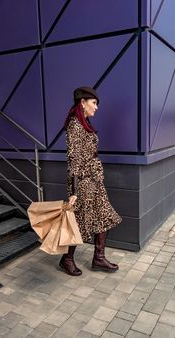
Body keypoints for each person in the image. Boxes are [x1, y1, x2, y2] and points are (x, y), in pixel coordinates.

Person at [59, 86, 122, 276]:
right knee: (78, 221)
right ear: (83, 102)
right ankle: (66, 259)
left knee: (104, 215)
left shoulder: (84, 123)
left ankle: (99, 258)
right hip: (83, 182)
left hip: (95, 179)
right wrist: (74, 192)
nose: (96, 107)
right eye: (94, 103)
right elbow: (74, 159)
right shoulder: (75, 126)